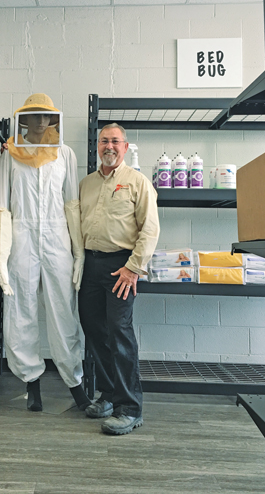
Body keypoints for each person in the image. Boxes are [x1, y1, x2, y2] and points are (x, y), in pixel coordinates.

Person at [0, 93, 90, 412]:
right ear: (24, 118)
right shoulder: (10, 154)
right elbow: (3, 205)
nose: (40, 121)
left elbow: (72, 204)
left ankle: (75, 384)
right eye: (33, 115)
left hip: (56, 237)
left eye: (45, 115)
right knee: (21, 308)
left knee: (64, 309)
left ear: (53, 119)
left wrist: (79, 252)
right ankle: (31, 385)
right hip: (21, 236)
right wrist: (2, 254)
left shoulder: (65, 154)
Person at [78, 123, 160, 435]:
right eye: (104, 141)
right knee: (95, 331)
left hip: (120, 268)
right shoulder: (86, 184)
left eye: (115, 141)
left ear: (125, 147)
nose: (109, 146)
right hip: (91, 266)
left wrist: (133, 267)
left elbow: (150, 229)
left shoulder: (137, 182)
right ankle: (109, 395)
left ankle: (130, 408)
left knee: (120, 333)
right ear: (97, 146)